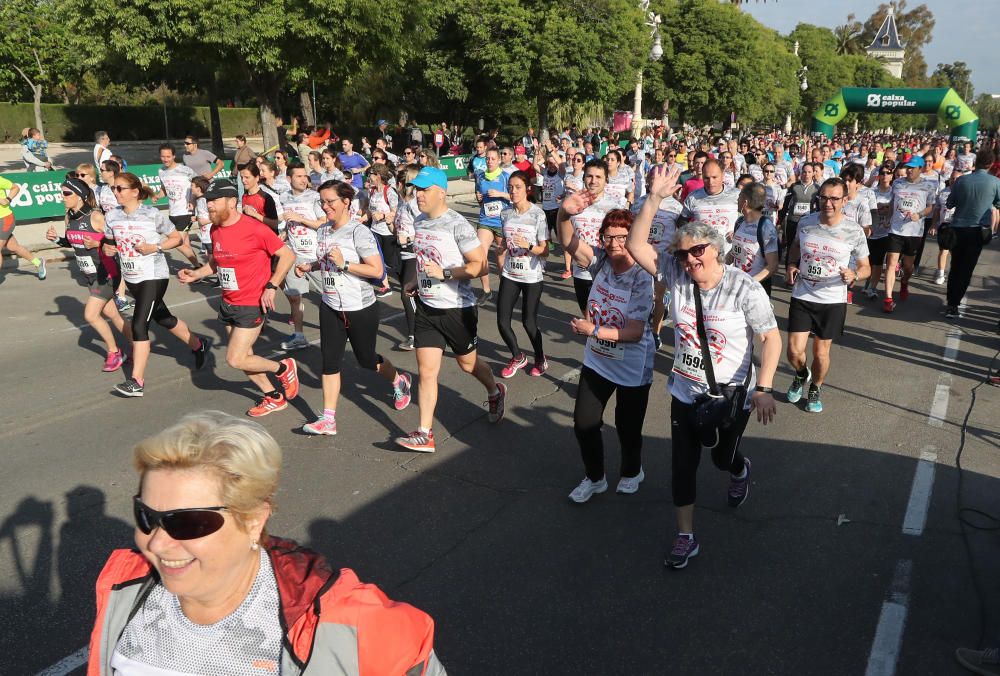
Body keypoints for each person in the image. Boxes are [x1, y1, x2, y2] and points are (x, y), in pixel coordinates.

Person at [87, 411, 446, 675]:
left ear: (253, 520)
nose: (159, 544)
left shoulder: (349, 625)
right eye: (147, 517)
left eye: (189, 523)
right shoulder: (124, 589)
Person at [626, 165, 781, 570]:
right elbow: (636, 244)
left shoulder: (743, 287)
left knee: (721, 458)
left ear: (716, 250)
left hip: (732, 393)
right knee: (683, 465)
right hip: (685, 391)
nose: (690, 259)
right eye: (683, 253)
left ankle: (738, 467)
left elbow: (770, 337)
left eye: (697, 251)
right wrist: (654, 199)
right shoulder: (676, 275)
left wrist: (763, 387)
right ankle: (686, 536)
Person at [394, 167, 507, 452]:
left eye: (424, 190)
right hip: (427, 308)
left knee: (467, 364)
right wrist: (414, 280)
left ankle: (494, 390)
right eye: (416, 189)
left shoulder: (457, 224)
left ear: (441, 193)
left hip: (458, 308)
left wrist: (443, 274)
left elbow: (479, 266)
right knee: (427, 371)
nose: (418, 195)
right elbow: (423, 261)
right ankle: (424, 432)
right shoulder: (419, 221)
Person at [295, 181, 413, 435]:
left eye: (330, 202)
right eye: (322, 202)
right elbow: (328, 259)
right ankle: (328, 419)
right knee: (329, 361)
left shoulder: (359, 232)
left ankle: (398, 380)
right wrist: (312, 266)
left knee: (367, 360)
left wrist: (345, 263)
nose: (325, 207)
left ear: (346, 202)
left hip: (359, 307)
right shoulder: (324, 230)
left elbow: (377, 270)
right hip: (330, 306)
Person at [178, 179, 300, 417]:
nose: (209, 206)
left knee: (235, 359)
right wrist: (197, 273)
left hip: (251, 303)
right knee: (246, 357)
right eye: (207, 202)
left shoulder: (255, 229)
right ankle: (273, 397)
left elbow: (287, 255)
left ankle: (283, 367)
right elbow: (217, 262)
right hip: (228, 301)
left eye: (214, 201)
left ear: (232, 202)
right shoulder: (216, 229)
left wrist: (272, 286)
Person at [559, 204, 655, 503]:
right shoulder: (600, 262)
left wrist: (594, 331)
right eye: (608, 237)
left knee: (628, 428)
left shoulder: (642, 276)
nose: (614, 244)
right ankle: (595, 477)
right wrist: (563, 215)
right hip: (598, 360)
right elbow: (568, 242)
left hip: (632, 364)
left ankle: (632, 470)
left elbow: (635, 332)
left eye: (622, 237)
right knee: (584, 423)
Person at [103, 173, 210, 397]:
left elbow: (176, 238)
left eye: (120, 188)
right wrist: (107, 249)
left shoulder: (151, 214)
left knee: (139, 325)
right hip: (132, 277)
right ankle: (199, 344)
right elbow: (108, 245)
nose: (115, 192)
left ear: (134, 191)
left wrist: (155, 247)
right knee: (164, 318)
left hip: (153, 275)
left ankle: (136, 382)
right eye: (114, 188)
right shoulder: (112, 216)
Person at [785, 178, 870, 413]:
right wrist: (792, 264)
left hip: (832, 299)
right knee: (793, 352)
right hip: (803, 293)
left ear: (844, 200)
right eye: (823, 197)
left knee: (820, 352)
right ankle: (802, 374)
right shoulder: (806, 222)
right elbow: (795, 247)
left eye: (834, 198)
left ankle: (816, 387)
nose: (828, 203)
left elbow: (866, 268)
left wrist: (854, 275)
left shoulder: (853, 230)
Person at [46, 176, 131, 371]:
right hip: (90, 275)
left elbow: (119, 242)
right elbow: (73, 241)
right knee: (112, 313)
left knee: (91, 315)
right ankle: (136, 344)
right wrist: (57, 240)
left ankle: (114, 352)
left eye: (67, 193)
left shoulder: (96, 217)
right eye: (61, 193)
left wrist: (99, 243)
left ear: (80, 196)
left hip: (107, 272)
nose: (63, 197)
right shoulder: (69, 216)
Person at [556, 158, 626, 314]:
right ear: (583, 178)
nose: (593, 181)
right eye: (589, 176)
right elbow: (564, 238)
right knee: (588, 318)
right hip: (581, 272)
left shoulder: (616, 207)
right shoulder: (573, 204)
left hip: (608, 273)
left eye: (598, 177)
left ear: (606, 180)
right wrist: (563, 213)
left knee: (608, 317)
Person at [496, 171, 549, 378]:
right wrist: (500, 254)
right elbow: (502, 245)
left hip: (531, 276)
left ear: (527, 189)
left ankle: (540, 358)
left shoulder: (538, 214)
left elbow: (545, 250)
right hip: (510, 273)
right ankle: (518, 356)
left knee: (529, 323)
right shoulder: (505, 214)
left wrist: (527, 246)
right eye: (510, 187)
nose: (513, 191)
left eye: (517, 187)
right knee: (502, 322)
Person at [943, 148, 1000, 318]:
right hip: (977, 231)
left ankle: (951, 302)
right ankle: (955, 303)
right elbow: (998, 203)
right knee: (967, 269)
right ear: (990, 164)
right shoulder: (995, 182)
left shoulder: (962, 181)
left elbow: (950, 203)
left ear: (976, 163)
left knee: (955, 266)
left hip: (958, 229)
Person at [277, 164, 326, 351]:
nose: (304, 179)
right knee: (295, 297)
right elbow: (289, 223)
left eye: (305, 176)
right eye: (299, 176)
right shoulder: (284, 197)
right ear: (289, 179)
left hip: (315, 256)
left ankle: (343, 328)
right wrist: (284, 234)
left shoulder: (314, 198)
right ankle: (299, 335)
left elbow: (323, 223)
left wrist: (301, 218)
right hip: (294, 254)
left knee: (329, 295)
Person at [882, 156, 937, 313]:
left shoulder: (928, 185)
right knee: (891, 263)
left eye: (913, 167)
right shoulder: (898, 183)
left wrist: (919, 215)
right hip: (896, 230)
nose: (909, 170)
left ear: (920, 169)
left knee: (907, 266)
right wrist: (888, 217)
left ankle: (905, 282)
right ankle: (888, 299)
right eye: (908, 167)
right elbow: (893, 202)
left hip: (914, 232)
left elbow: (930, 207)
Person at [678, 158, 741, 255]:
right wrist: (692, 235)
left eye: (714, 177)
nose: (710, 182)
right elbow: (681, 222)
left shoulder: (736, 195)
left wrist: (738, 231)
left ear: (723, 176)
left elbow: (748, 218)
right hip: (703, 255)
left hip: (729, 256)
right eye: (706, 178)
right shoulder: (693, 197)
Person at [473, 148, 511, 306]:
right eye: (487, 159)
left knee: (501, 258)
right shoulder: (480, 176)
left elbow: (515, 197)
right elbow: (479, 198)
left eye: (493, 159)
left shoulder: (505, 177)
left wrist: (500, 194)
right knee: (481, 254)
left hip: (501, 222)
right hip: (485, 220)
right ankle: (486, 290)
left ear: (498, 160)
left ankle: (505, 292)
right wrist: (479, 198)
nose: (489, 161)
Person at [153, 145, 201, 267]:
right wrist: (158, 196)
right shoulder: (161, 171)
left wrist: (193, 201)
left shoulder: (185, 170)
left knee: (177, 242)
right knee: (185, 244)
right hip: (172, 213)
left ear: (174, 156)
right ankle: (197, 271)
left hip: (186, 212)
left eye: (168, 156)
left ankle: (198, 267)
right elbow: (164, 189)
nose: (165, 159)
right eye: (163, 156)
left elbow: (199, 186)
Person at [728, 183, 780, 296]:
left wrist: (749, 283)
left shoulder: (766, 227)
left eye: (739, 196)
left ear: (745, 202)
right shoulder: (739, 222)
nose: (737, 200)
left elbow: (772, 266)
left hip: (756, 289)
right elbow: (734, 252)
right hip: (736, 284)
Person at [395, 164, 421, 350]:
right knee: (418, 295)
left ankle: (414, 336)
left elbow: (427, 228)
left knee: (407, 294)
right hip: (402, 253)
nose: (398, 183)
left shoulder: (415, 204)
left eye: (402, 180)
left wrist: (410, 238)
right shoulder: (403, 202)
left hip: (415, 252)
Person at [0, 174, 47, 280]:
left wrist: (7, 199)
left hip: (4, 219)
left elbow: (15, 187)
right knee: (13, 247)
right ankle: (38, 262)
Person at [861, 164, 895, 300]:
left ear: (892, 176)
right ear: (879, 176)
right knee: (868, 261)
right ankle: (868, 283)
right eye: (883, 173)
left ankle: (872, 288)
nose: (885, 175)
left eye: (888, 173)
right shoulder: (872, 192)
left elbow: (893, 209)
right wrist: (883, 207)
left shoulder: (894, 192)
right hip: (871, 231)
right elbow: (867, 209)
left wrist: (881, 208)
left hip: (885, 232)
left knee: (878, 262)